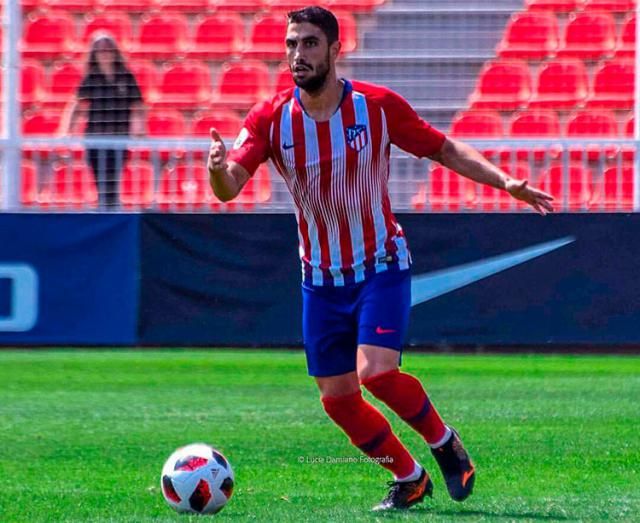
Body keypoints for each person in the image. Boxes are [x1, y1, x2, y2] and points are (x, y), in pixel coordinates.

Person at [207, 6, 554, 512]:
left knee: (375, 372)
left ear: (333, 49)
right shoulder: (270, 118)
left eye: (308, 43)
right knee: (338, 401)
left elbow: (444, 149)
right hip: (320, 279)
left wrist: (504, 182)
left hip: (380, 264)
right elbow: (229, 187)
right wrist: (218, 169)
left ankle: (443, 442)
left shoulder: (376, 106)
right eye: (290, 44)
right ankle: (409, 478)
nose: (296, 54)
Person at [64, 33, 145, 209]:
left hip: (119, 137)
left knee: (114, 177)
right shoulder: (92, 77)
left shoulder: (126, 76)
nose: (105, 53)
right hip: (95, 137)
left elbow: (138, 105)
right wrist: (67, 130)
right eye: (100, 50)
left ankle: (111, 208)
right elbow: (77, 105)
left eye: (108, 49)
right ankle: (105, 208)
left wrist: (139, 128)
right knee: (100, 177)